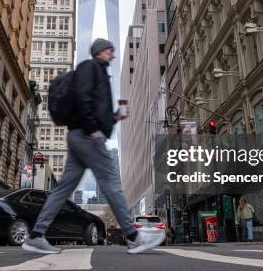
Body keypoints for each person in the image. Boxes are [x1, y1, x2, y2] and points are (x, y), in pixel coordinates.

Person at [23, 38, 165, 255]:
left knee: (63, 189)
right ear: (100, 51)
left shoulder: (97, 72)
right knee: (111, 182)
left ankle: (35, 236)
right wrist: (92, 129)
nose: (113, 54)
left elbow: (96, 110)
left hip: (79, 137)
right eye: (110, 50)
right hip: (87, 137)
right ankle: (134, 236)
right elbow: (82, 97)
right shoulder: (91, 67)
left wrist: (115, 116)